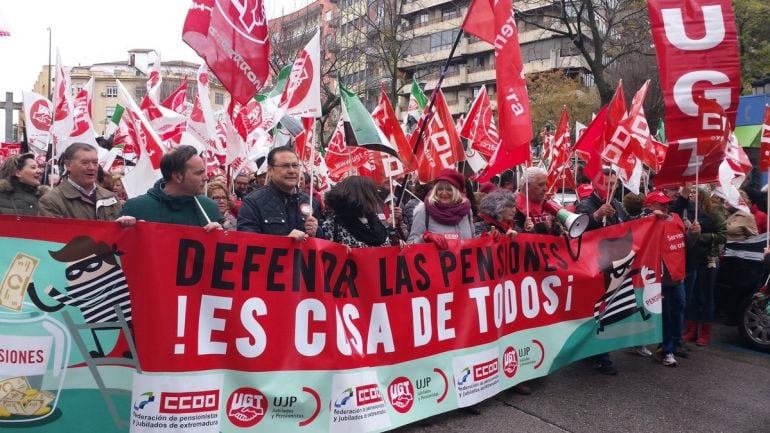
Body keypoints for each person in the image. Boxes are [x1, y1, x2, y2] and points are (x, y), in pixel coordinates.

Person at [575, 169, 627, 375]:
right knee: (597, 313)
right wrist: (596, 216)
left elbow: (631, 225)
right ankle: (600, 357)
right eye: (607, 182)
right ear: (597, 184)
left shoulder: (616, 205)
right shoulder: (586, 204)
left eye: (614, 182)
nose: (612, 186)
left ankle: (595, 352)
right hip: (593, 268)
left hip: (612, 266)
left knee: (606, 312)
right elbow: (578, 229)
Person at [640, 191, 695, 367]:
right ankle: (666, 350)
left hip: (677, 275)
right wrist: (650, 218)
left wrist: (694, 234)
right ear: (650, 206)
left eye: (667, 203)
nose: (666, 207)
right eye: (661, 204)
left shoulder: (675, 218)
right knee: (665, 315)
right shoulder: (646, 221)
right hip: (658, 278)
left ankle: (673, 343)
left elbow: (684, 244)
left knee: (679, 308)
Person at [120, 145, 221, 230]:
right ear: (178, 177)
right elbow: (114, 251)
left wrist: (221, 237)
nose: (206, 178)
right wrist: (119, 231)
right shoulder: (136, 209)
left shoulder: (209, 208)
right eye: (199, 173)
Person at [237, 146, 322, 242]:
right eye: (285, 166)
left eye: (295, 166)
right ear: (270, 170)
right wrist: (284, 242)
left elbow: (322, 245)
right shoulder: (253, 202)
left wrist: (316, 232)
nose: (292, 171)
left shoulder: (310, 202)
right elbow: (247, 242)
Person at [39, 142, 132, 225]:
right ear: (68, 165)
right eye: (85, 163)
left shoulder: (111, 197)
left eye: (95, 162)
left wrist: (128, 226)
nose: (92, 167)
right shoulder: (51, 201)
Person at [682, 186, 726, 346]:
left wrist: (700, 236)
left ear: (703, 196)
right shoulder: (687, 210)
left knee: (706, 296)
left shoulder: (714, 212)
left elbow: (723, 235)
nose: (692, 195)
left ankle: (705, 332)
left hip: (709, 258)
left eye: (695, 192)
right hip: (693, 258)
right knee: (692, 295)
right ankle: (691, 330)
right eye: (691, 192)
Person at [407, 168, 474, 249]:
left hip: (462, 261)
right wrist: (424, 238)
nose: (444, 193)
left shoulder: (466, 212)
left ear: (457, 191)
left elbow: (473, 241)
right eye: (440, 189)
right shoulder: (424, 211)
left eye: (449, 189)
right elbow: (410, 246)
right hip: (433, 261)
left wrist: (488, 238)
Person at [717, 197, 759, 325]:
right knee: (725, 287)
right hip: (724, 257)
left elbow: (754, 238)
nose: (726, 203)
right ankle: (725, 312)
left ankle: (733, 316)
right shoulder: (723, 214)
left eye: (729, 200)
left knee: (736, 288)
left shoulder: (747, 216)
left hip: (739, 259)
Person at [322, 176, 391, 248]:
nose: (374, 199)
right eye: (371, 194)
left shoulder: (375, 220)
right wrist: (339, 252)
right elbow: (325, 255)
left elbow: (385, 245)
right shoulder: (333, 225)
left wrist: (397, 247)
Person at [513, 166, 561, 235]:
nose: (545, 189)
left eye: (545, 184)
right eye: (541, 185)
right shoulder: (512, 207)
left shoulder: (548, 205)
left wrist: (555, 227)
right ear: (527, 186)